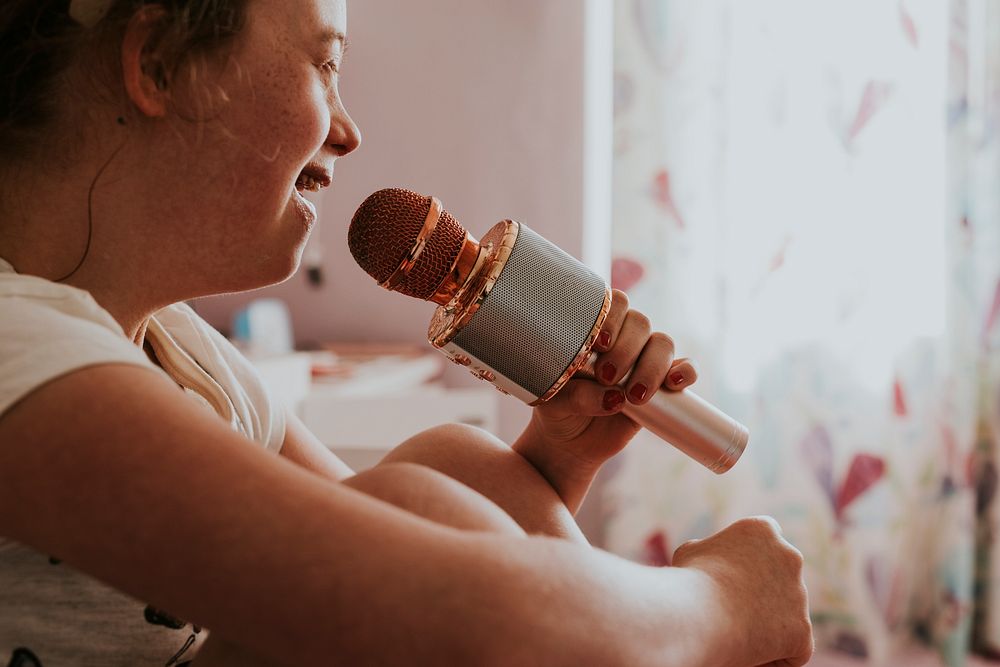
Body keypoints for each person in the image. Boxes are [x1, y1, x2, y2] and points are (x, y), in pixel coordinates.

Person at [0, 0, 813, 665]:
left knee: (462, 472)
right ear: (159, 65)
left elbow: (434, 559)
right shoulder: (13, 344)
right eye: (324, 64)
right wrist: (729, 604)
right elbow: (485, 617)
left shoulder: (186, 354)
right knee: (420, 501)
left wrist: (555, 459)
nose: (349, 132)